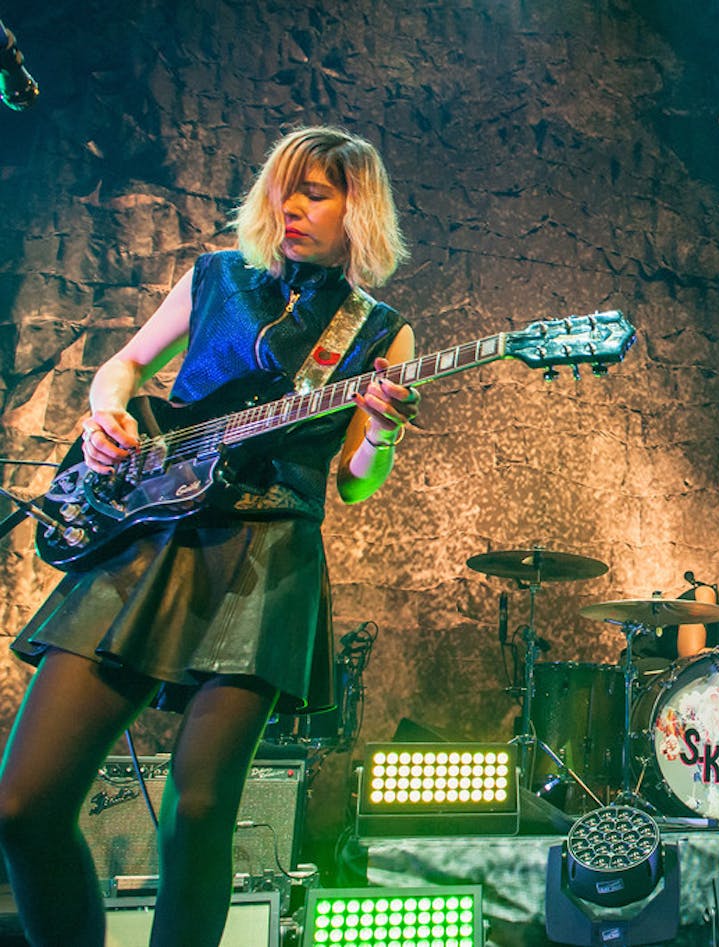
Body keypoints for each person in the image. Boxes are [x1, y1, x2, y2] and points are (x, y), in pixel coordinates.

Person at [0, 127, 419, 946]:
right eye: (283, 188)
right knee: (21, 804)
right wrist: (106, 414)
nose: (291, 206)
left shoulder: (379, 331)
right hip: (151, 537)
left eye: (316, 193)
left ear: (357, 210)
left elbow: (357, 483)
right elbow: (124, 364)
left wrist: (383, 435)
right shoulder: (216, 277)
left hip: (269, 563)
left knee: (196, 812)